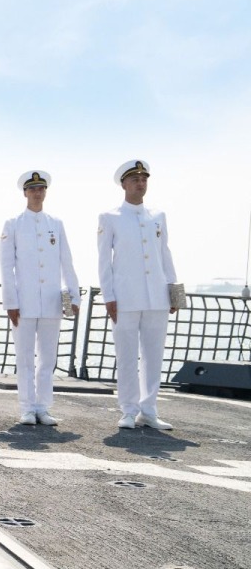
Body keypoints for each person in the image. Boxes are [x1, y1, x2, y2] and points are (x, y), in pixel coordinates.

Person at [98, 160, 178, 430]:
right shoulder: (110, 218)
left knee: (154, 356)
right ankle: (129, 410)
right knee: (128, 356)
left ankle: (149, 410)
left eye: (144, 178)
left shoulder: (158, 215)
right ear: (124, 184)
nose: (140, 183)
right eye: (135, 179)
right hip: (125, 298)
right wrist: (109, 295)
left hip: (157, 296)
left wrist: (173, 289)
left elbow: (164, 253)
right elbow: (103, 261)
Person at [0, 171, 79, 426]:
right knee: (24, 359)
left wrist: (74, 295)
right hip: (25, 302)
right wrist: (11, 301)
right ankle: (26, 407)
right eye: (32, 189)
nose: (37, 193)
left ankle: (43, 407)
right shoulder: (13, 224)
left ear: (45, 191)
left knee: (47, 359)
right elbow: (6, 266)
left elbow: (67, 261)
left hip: (52, 302)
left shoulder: (56, 223)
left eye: (41, 188)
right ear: (25, 192)